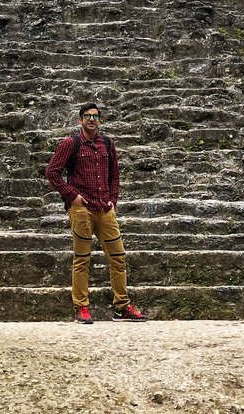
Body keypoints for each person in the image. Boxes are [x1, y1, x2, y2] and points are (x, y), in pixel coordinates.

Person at [45, 102, 147, 323]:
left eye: (96, 116)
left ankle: (122, 307)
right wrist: (72, 195)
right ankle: (81, 307)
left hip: (105, 208)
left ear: (100, 120)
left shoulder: (108, 144)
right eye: (87, 116)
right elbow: (52, 172)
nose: (92, 120)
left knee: (118, 257)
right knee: (82, 259)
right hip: (82, 209)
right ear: (80, 120)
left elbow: (115, 176)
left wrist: (113, 199)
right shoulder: (70, 144)